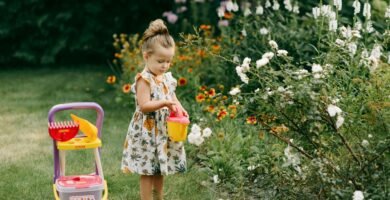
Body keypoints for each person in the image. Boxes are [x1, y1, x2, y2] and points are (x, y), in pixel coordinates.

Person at [121, 19, 188, 200]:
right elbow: (144, 106)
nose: (165, 65)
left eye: (168, 61)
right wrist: (164, 103)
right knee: (148, 171)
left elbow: (172, 96)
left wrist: (180, 108)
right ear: (146, 56)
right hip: (147, 131)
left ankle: (158, 197)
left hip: (162, 130)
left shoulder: (166, 77)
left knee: (159, 169)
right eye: (160, 61)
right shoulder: (145, 79)